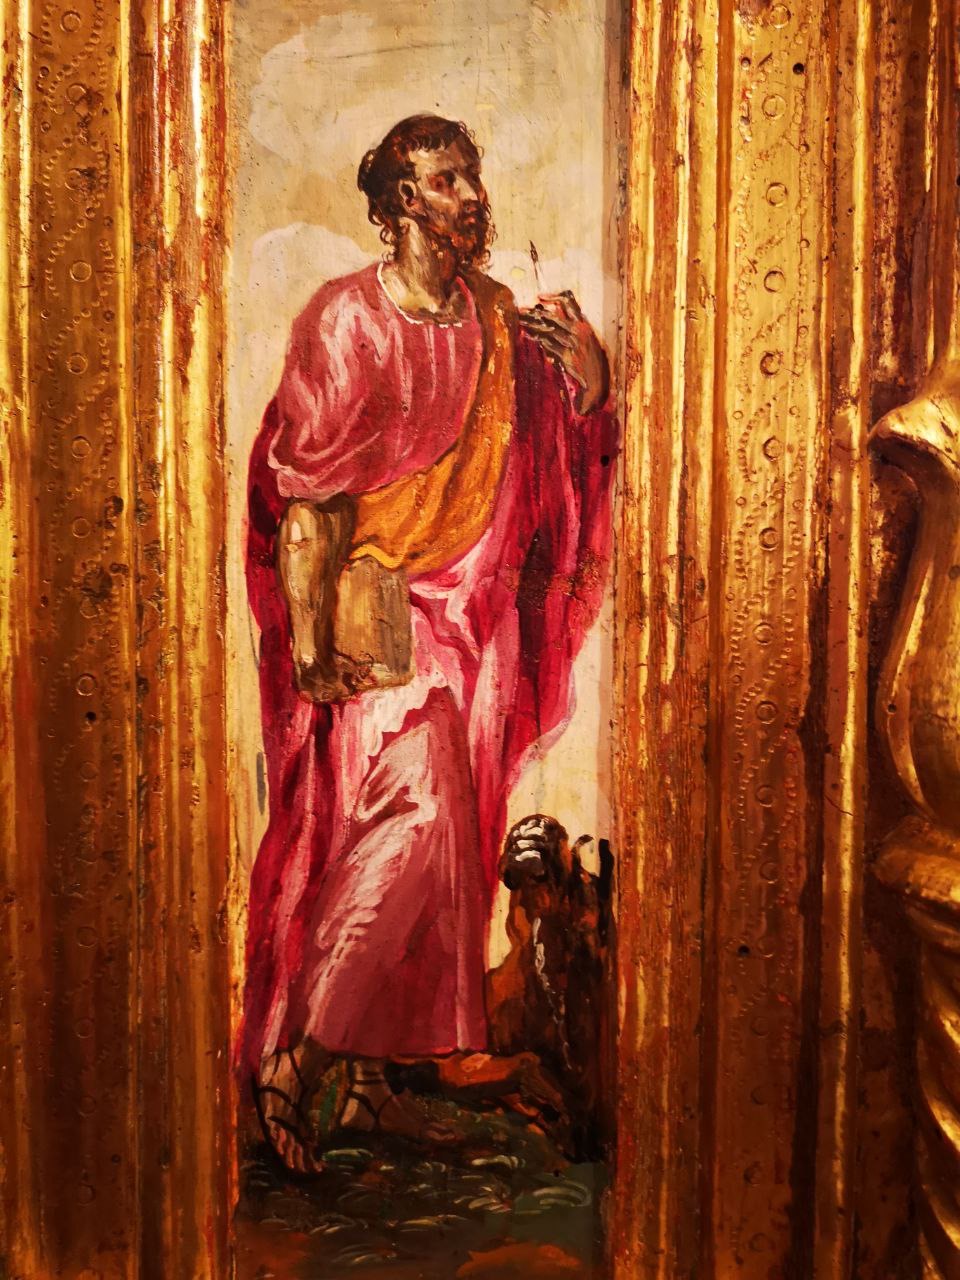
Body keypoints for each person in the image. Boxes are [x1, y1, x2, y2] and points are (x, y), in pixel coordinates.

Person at [239, 114, 616, 1172]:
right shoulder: (344, 320)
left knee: (437, 847)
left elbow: (565, 444)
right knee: (414, 820)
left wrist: (591, 381)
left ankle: (367, 1089)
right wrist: (310, 650)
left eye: (471, 177)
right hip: (371, 614)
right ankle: (301, 1062)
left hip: (467, 622)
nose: (471, 196)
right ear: (403, 201)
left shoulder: (497, 318)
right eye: (448, 180)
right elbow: (307, 502)